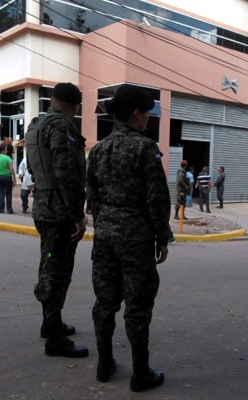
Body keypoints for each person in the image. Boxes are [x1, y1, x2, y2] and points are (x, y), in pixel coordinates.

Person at [87, 85, 170, 392]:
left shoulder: (98, 149)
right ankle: (140, 373)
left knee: (105, 303)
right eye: (147, 112)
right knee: (137, 305)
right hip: (136, 239)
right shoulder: (145, 148)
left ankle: (104, 363)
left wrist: (106, 221)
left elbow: (92, 195)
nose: (148, 118)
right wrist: (162, 236)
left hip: (105, 236)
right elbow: (157, 198)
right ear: (136, 114)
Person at [25, 82, 88, 358]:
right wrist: (78, 215)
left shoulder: (35, 125)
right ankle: (55, 338)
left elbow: (32, 166)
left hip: (42, 206)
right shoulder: (61, 127)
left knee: (48, 264)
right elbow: (65, 172)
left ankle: (50, 323)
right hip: (60, 211)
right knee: (57, 271)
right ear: (74, 107)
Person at [0, 143, 16, 214]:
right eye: (6, 149)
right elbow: (12, 169)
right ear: (3, 150)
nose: (7, 151)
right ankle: (9, 210)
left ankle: (1, 209)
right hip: (7, 177)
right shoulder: (8, 158)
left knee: (1, 193)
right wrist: (14, 179)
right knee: (8, 193)